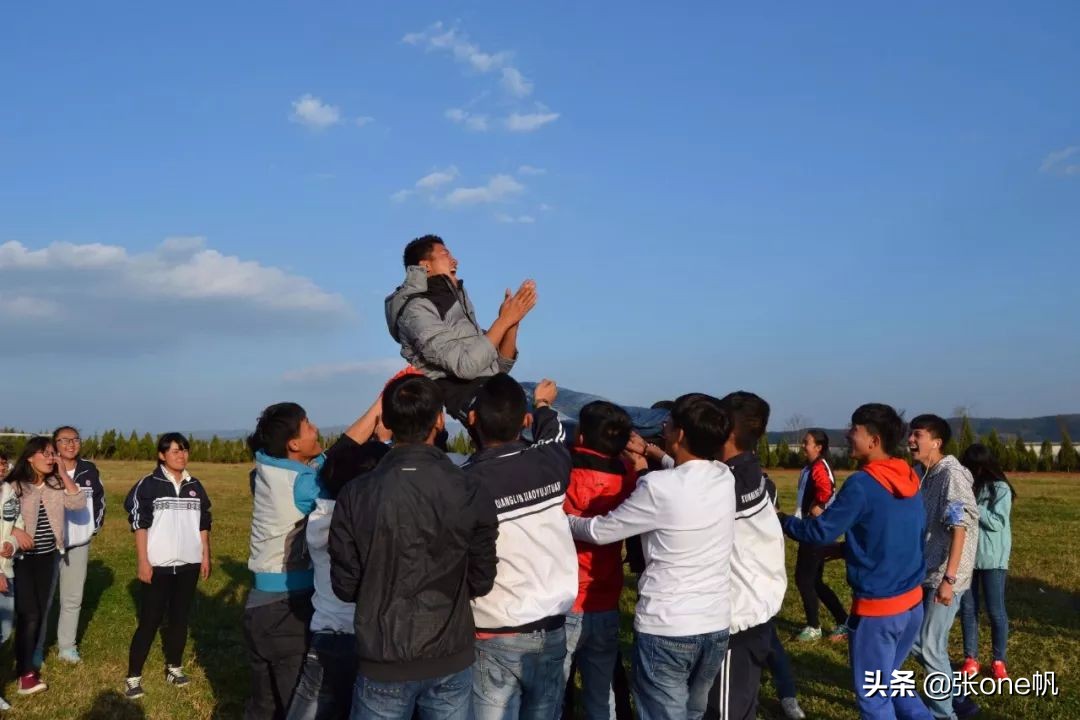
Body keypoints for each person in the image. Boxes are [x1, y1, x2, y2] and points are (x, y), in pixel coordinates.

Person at [328, 374, 499, 720]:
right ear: (439, 419)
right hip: (449, 651)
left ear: (386, 423)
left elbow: (345, 587)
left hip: (383, 654)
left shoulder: (356, 493)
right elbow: (482, 579)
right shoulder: (468, 488)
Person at [567, 393, 735, 720]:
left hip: (668, 626)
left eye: (669, 423)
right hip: (715, 623)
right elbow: (686, 469)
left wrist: (560, 519)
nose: (664, 426)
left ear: (681, 434)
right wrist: (650, 452)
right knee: (693, 713)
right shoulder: (723, 476)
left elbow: (601, 531)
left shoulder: (657, 487)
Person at [781, 403, 933, 720]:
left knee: (874, 699)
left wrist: (780, 520)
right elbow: (897, 534)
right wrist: (848, 550)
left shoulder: (862, 484)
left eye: (854, 429)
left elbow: (819, 530)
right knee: (893, 681)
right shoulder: (908, 474)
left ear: (873, 440)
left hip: (879, 612)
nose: (848, 434)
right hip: (912, 606)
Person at [244, 395, 386, 720]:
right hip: (285, 607)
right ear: (294, 443)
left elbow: (331, 457)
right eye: (308, 425)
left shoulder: (267, 464)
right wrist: (381, 407)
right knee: (297, 701)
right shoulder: (301, 484)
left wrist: (378, 405)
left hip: (257, 607)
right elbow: (336, 469)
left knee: (263, 705)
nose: (315, 429)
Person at [464, 375, 577, 719]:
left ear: (472, 420)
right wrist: (543, 405)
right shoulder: (550, 464)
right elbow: (555, 434)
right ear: (524, 421)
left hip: (492, 632)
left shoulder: (465, 483)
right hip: (552, 628)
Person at [287, 396, 390, 720]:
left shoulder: (320, 519)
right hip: (371, 641)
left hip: (328, 637)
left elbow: (338, 466)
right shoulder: (369, 521)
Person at [385, 234, 537, 422]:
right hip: (473, 400)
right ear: (425, 266)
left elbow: (500, 367)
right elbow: (466, 366)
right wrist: (504, 321)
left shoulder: (456, 303)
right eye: (445, 254)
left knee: (568, 407)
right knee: (552, 426)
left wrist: (513, 322)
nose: (454, 260)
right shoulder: (416, 310)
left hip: (493, 387)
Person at [706, 391, 787, 720]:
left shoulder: (728, 484)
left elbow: (683, 497)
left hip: (737, 618)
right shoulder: (750, 472)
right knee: (741, 705)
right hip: (758, 608)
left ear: (724, 431)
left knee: (724, 711)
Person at [561, 400, 638, 720]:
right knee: (600, 694)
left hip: (563, 599)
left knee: (552, 693)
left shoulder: (563, 470)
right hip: (604, 597)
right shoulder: (628, 477)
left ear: (581, 437)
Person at [122, 433, 212, 700]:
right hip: (158, 566)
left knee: (179, 619)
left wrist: (205, 555)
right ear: (162, 455)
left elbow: (203, 522)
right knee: (149, 621)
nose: (181, 455)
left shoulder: (195, 485)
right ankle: (133, 677)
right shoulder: (149, 485)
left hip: (189, 564)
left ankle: (174, 667)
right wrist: (143, 561)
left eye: (184, 450)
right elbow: (139, 523)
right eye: (175, 451)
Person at [907, 415, 980, 720]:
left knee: (929, 645)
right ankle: (957, 697)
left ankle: (944, 713)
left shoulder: (951, 474)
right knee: (914, 640)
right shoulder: (925, 474)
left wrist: (949, 579)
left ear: (935, 442)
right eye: (910, 434)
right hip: (926, 571)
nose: (911, 440)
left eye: (917, 435)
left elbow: (959, 526)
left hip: (945, 575)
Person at [6, 436, 87, 696]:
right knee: (28, 614)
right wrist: (17, 533)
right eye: (46, 453)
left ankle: (24, 666)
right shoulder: (15, 486)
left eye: (53, 453)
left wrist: (63, 474)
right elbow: (3, 517)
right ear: (30, 457)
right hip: (18, 559)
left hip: (46, 557)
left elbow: (78, 503)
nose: (51, 457)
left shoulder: (54, 485)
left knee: (36, 613)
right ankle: (25, 672)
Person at [35, 426, 105, 667]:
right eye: (64, 440)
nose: (71, 444)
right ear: (55, 444)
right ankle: (36, 649)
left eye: (75, 439)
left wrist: (91, 529)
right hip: (47, 544)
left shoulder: (89, 470)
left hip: (78, 543)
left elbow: (99, 500)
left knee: (72, 598)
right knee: (43, 598)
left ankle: (67, 646)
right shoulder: (45, 468)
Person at [958, 443, 1015, 681]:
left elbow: (998, 521)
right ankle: (971, 658)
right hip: (967, 557)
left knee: (995, 611)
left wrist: (974, 506)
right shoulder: (967, 486)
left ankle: (998, 659)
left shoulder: (1000, 488)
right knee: (968, 609)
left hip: (992, 558)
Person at [792, 430, 849, 643]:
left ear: (819, 447)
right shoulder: (810, 467)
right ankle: (843, 620)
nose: (802, 445)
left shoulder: (820, 467)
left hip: (816, 530)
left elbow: (827, 489)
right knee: (813, 580)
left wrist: (818, 506)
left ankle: (814, 626)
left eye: (806, 442)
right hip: (808, 527)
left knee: (804, 579)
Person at [0, 461, 30, 710]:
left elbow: (18, 524)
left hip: (6, 571)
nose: (0, 468)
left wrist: (12, 541)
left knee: (5, 631)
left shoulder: (9, 493)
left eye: (2, 464)